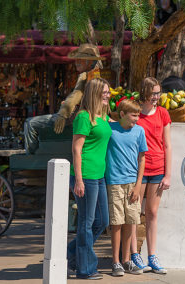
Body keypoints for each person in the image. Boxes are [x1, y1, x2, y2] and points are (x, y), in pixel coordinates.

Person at [67, 77, 112, 280]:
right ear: (94, 93)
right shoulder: (83, 117)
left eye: (108, 92)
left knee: (102, 221)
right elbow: (76, 149)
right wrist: (78, 180)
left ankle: (72, 253)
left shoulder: (101, 116)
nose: (108, 95)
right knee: (86, 222)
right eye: (104, 92)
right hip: (85, 175)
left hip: (99, 176)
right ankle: (85, 269)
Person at [23, 43, 104, 154]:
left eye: (80, 59)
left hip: (75, 118)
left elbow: (76, 94)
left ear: (89, 61)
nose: (76, 62)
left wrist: (63, 114)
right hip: (85, 117)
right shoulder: (98, 76)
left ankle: (31, 157)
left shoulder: (86, 76)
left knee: (29, 123)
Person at [130, 77, 171, 274]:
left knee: (152, 213)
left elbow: (167, 144)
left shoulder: (163, 113)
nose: (157, 97)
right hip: (137, 168)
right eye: (154, 93)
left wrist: (168, 174)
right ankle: (133, 254)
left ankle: (152, 255)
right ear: (145, 92)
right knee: (134, 212)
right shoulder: (136, 112)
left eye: (158, 93)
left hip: (157, 168)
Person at [105, 99, 148, 277]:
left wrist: (138, 185)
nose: (136, 119)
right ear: (122, 114)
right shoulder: (110, 129)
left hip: (133, 183)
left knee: (131, 221)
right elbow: (101, 117)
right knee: (116, 222)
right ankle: (115, 261)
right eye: (133, 115)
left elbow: (142, 158)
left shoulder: (139, 131)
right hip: (114, 182)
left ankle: (127, 259)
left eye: (138, 115)